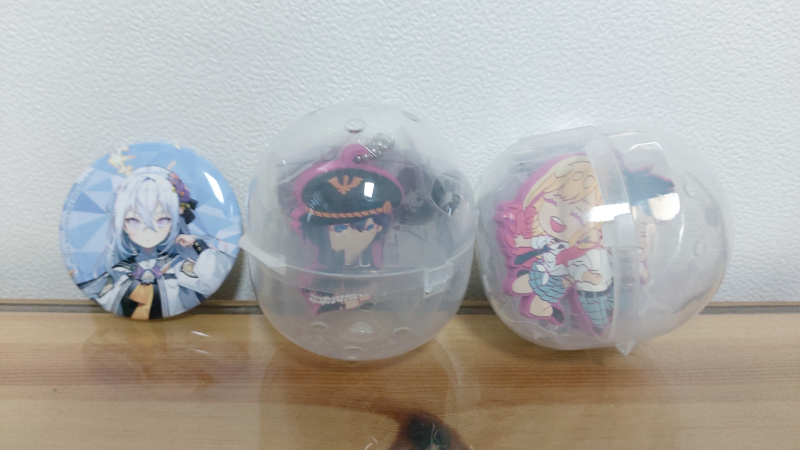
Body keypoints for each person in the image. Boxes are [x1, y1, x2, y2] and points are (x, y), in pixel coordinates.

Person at [79, 166, 235, 319]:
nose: (148, 230)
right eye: (134, 220)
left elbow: (210, 283)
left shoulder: (176, 266)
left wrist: (198, 244)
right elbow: (102, 298)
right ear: (123, 225)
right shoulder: (121, 270)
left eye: (162, 220)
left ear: (174, 222)